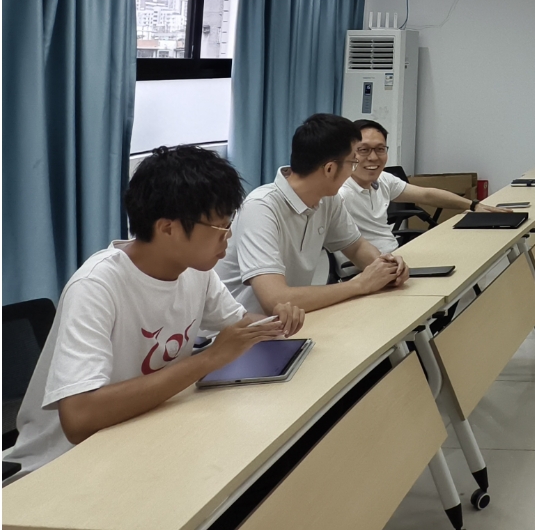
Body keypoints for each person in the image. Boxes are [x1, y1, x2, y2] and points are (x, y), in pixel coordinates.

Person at [3, 146, 304, 478]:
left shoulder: (195, 271)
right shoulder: (96, 286)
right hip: (59, 466)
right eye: (220, 228)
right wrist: (209, 359)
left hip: (141, 437)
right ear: (168, 228)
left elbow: (240, 325)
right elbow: (79, 418)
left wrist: (277, 320)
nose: (228, 238)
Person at [217, 113, 408, 314]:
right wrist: (359, 285)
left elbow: (356, 247)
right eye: (353, 163)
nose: (353, 170)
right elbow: (276, 301)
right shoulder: (261, 208)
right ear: (329, 169)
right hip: (245, 327)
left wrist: (387, 268)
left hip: (293, 320)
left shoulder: (328, 199)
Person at [341, 119, 491, 255]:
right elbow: (352, 249)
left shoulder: (383, 180)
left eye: (380, 149)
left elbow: (426, 195)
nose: (373, 157)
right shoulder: (340, 193)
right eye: (363, 150)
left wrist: (473, 205)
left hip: (393, 257)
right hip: (364, 269)